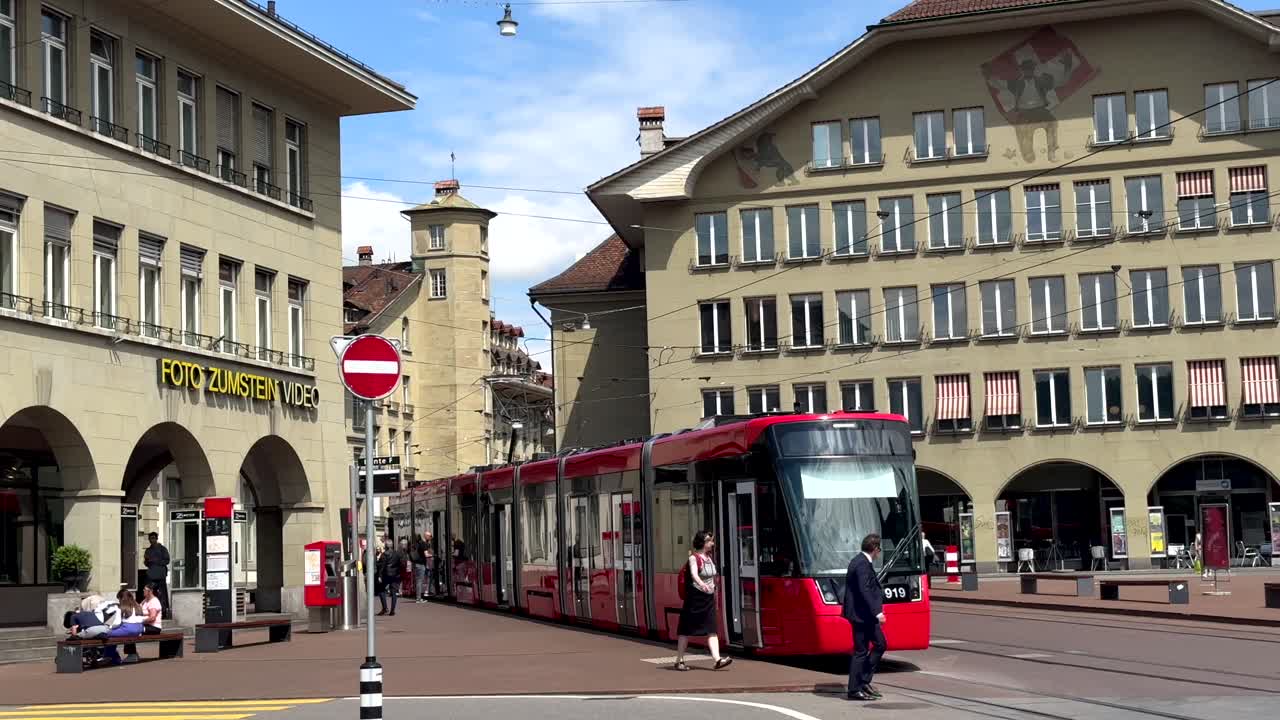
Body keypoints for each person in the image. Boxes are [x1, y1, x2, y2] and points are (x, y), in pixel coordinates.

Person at [672, 530, 732, 672]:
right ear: (702, 543)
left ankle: (717, 660)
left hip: (708, 599)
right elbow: (693, 574)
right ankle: (679, 660)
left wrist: (712, 586)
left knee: (712, 629)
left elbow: (712, 575)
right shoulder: (694, 558)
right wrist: (702, 584)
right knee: (685, 630)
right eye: (709, 541)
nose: (712, 543)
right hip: (695, 599)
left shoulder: (709, 558)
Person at [843, 533, 886, 701]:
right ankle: (854, 689)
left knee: (880, 644)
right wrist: (878, 612)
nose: (879, 553)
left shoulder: (860, 561)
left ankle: (863, 680)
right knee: (861, 651)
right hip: (862, 615)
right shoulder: (862, 564)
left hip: (865, 615)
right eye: (879, 549)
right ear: (875, 549)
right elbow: (864, 590)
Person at [102, 590, 148, 665]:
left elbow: (116, 623)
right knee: (115, 634)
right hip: (139, 629)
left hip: (128, 629)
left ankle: (110, 656)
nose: (119, 601)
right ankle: (114, 656)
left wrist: (109, 627)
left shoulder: (121, 608)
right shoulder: (137, 606)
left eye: (119, 599)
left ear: (122, 598)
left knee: (106, 633)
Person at [143, 532, 170, 618]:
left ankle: (163, 611)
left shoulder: (162, 549)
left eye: (154, 538)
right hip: (151, 575)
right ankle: (152, 610)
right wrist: (148, 562)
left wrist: (156, 561)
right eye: (151, 538)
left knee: (162, 594)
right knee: (151, 594)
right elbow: (146, 563)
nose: (152, 540)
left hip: (160, 575)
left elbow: (167, 560)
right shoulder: (148, 550)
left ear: (156, 538)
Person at [379, 540, 406, 616]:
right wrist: (399, 572)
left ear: (386, 546)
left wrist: (380, 576)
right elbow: (402, 564)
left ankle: (385, 608)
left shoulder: (384, 554)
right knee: (394, 592)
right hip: (395, 575)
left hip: (386, 575)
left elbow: (382, 566)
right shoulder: (397, 554)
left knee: (381, 590)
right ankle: (392, 610)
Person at [411, 532, 430, 603]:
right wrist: (433, 555)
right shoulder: (423, 543)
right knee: (420, 581)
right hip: (421, 564)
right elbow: (426, 554)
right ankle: (418, 598)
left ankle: (418, 597)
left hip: (416, 564)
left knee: (418, 581)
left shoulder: (415, 545)